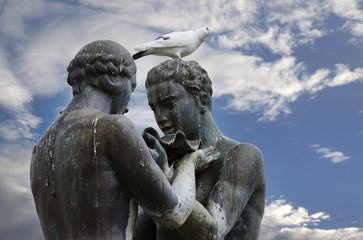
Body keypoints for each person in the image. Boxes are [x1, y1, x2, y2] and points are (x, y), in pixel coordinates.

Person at [30, 40, 214, 240]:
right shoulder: (113, 127)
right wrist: (188, 163)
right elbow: (174, 213)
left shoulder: (39, 148)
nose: (127, 107)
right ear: (115, 79)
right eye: (131, 88)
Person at [135, 60, 266, 239]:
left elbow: (211, 233)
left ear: (202, 100)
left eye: (169, 104)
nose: (160, 117)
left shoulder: (242, 156)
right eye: (154, 108)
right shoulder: (169, 160)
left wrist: (168, 175)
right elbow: (139, 234)